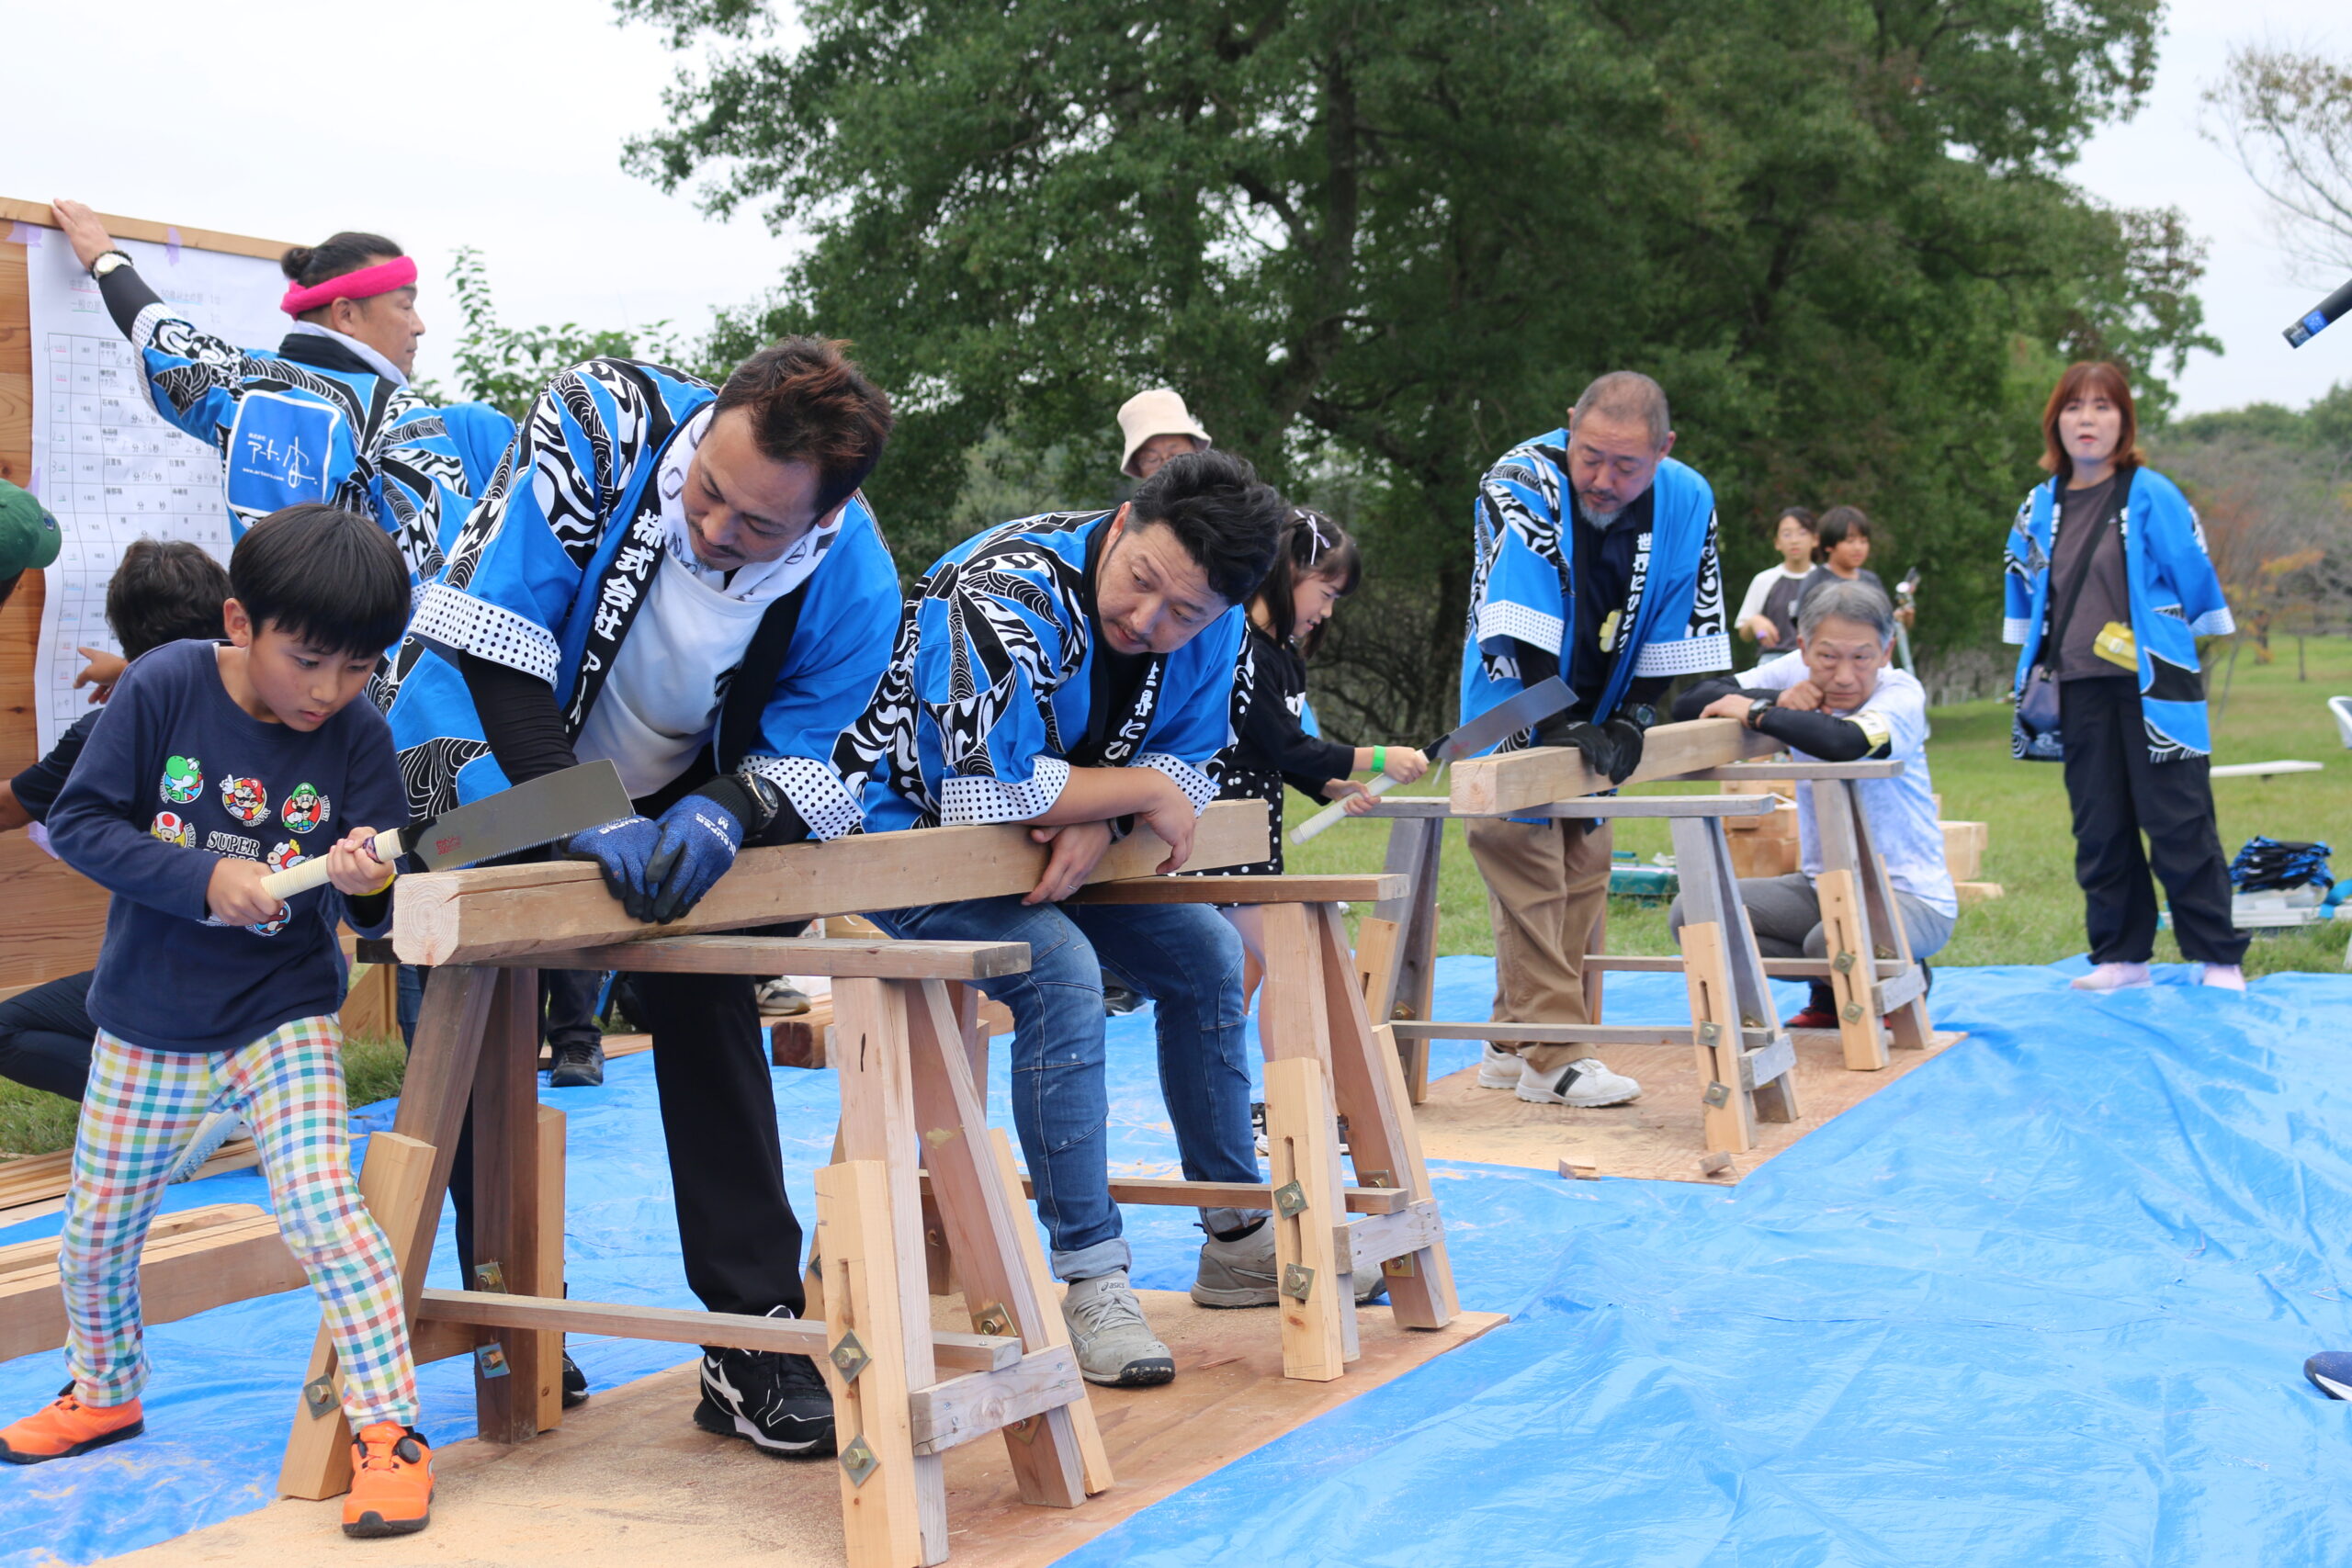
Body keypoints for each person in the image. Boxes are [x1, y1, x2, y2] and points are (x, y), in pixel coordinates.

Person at [381, 338, 899, 1456]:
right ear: (710, 425)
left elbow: (803, 754)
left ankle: (751, 1333)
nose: (716, 530)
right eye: (709, 491)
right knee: (473, 978)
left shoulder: (856, 576)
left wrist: (721, 814)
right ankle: (505, 1317)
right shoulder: (600, 421)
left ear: (818, 522)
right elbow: (497, 648)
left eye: (758, 526)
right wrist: (580, 811)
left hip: (670, 798)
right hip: (478, 769)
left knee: (709, 978)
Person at [0, 507, 435, 1538]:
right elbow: (86, 824)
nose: (328, 691)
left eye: (358, 667)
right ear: (240, 622)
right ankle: (103, 1390)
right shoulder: (163, 687)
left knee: (326, 1212)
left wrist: (372, 884)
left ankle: (389, 1430)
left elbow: (374, 911)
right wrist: (205, 876)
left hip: (281, 1014)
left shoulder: (360, 736)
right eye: (309, 658)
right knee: (96, 1234)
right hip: (149, 1015)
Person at [831, 450, 1301, 1384]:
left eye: (1186, 614)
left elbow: (1194, 771)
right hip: (897, 844)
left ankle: (1238, 1232)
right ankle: (1090, 1275)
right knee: (1059, 971)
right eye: (1140, 585)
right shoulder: (1001, 589)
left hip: (1041, 850)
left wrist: (1094, 810)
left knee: (1208, 953)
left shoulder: (1213, 628)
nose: (1149, 621)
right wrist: (1116, 799)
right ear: (1122, 524)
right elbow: (985, 792)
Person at [1461, 371, 1729, 1109]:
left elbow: (1682, 620)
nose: (1604, 480)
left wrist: (1634, 716)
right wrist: (1554, 721)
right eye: (1590, 457)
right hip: (1514, 695)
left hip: (1604, 697)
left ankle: (1508, 1043)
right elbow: (1517, 607)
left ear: (1664, 450)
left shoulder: (1688, 498)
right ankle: (1554, 1055)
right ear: (1568, 425)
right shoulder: (1519, 479)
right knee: (1524, 855)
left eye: (1627, 466)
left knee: (1586, 861)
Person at [49, 198, 501, 582]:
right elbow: (444, 574)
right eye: (406, 305)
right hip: (364, 669)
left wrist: (106, 260)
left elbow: (164, 338)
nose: (418, 326)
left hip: (264, 661)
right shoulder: (400, 415)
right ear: (345, 315)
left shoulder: (244, 385)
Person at [2001, 361, 2245, 991]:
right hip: (2076, 684)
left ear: (2124, 420)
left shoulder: (2151, 492)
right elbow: (2022, 578)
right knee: (2099, 825)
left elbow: (2192, 569)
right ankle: (2122, 956)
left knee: (2179, 822)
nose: (2089, 419)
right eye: (2076, 406)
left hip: (2154, 685)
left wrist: (2177, 632)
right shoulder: (2039, 503)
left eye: (2104, 407)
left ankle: (2218, 956)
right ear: (2057, 419)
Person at [1, 541, 233, 1159]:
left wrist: (133, 678)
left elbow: (8, 807)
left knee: (6, 1029)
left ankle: (177, 1114)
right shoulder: (271, 697)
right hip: (277, 968)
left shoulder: (107, 729)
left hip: (169, 973)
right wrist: (131, 669)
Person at [1669, 579, 1957, 1021]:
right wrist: (1777, 696)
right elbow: (1690, 703)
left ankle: (1898, 979)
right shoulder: (1791, 671)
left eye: (1861, 658)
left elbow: (1843, 742)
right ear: (1803, 647)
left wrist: (1760, 713)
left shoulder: (1902, 694)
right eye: (1827, 657)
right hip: (1820, 885)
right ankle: (1836, 988)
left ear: (1886, 651)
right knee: (1694, 914)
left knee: (1831, 940)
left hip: (1909, 895)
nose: (1843, 675)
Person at [1734, 506, 1818, 655]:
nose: (1794, 540)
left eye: (1802, 533)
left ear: (1815, 539)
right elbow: (1744, 633)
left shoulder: (1824, 580)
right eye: (1786, 534)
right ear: (1777, 543)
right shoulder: (1764, 580)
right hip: (1773, 661)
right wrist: (1754, 622)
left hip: (1816, 660)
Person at [1117, 388, 1213, 481]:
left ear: (1196, 451)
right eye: (1152, 459)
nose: (1166, 466)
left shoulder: (1224, 493)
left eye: (1177, 455)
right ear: (1138, 466)